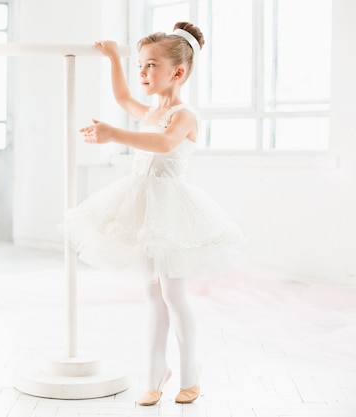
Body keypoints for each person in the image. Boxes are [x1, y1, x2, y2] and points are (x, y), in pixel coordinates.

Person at [63, 22, 244, 405]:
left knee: (174, 294)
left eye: (150, 66)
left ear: (177, 72)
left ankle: (190, 374)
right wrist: (113, 57)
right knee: (150, 294)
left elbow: (162, 143)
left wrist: (114, 135)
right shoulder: (150, 110)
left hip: (170, 211)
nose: (142, 73)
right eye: (141, 65)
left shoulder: (184, 116)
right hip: (141, 206)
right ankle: (154, 373)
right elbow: (123, 97)